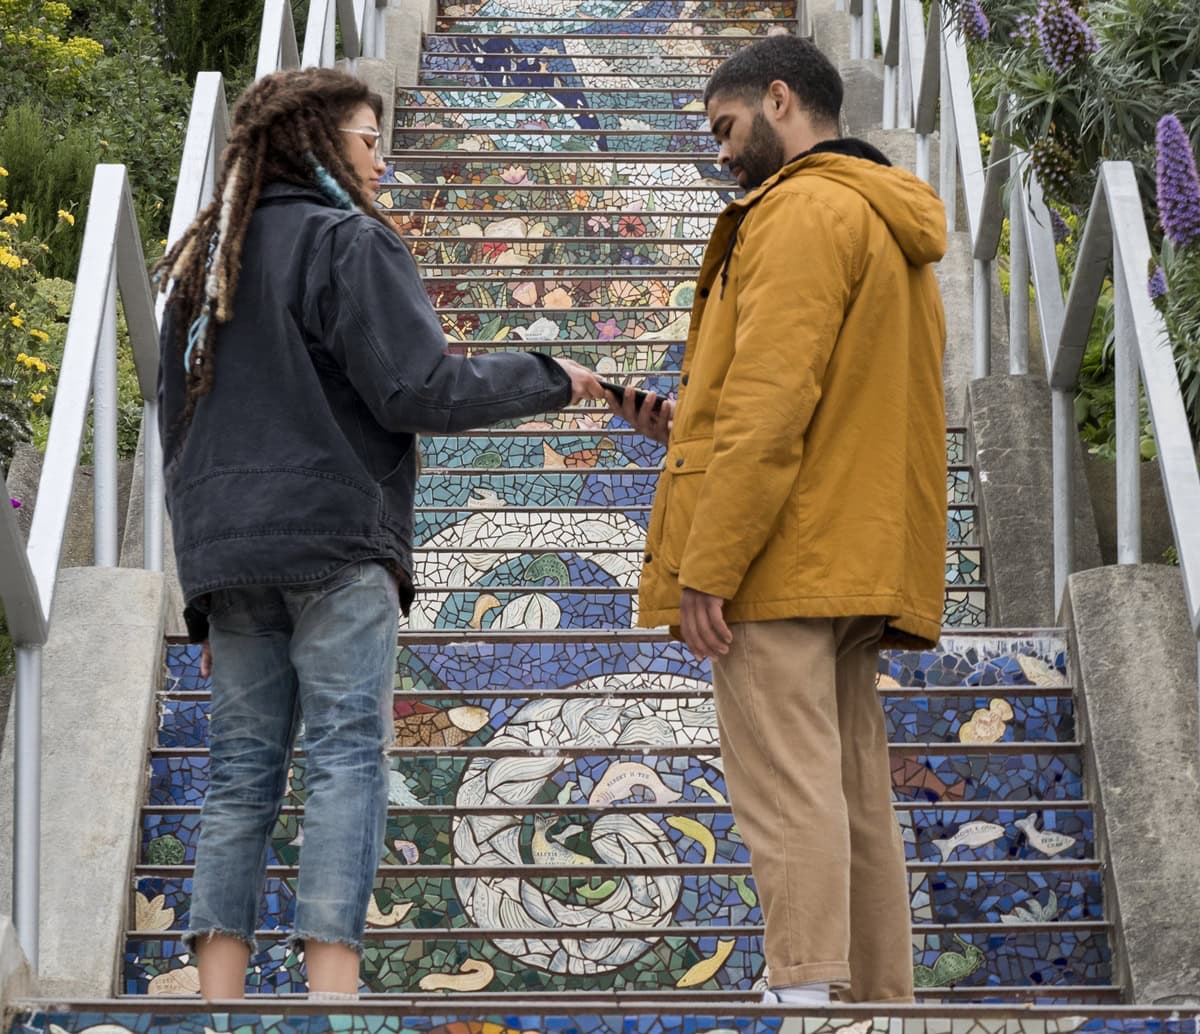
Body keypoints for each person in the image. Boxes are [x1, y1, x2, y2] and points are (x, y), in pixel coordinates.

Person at [155, 67, 604, 1000]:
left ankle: (220, 1006)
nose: (382, 160)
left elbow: (176, 424)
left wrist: (202, 576)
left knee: (239, 773)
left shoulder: (205, 267)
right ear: (318, 141)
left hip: (229, 553)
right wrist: (553, 375)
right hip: (332, 542)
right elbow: (417, 389)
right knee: (346, 758)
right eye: (368, 138)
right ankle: (331, 999)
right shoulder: (346, 242)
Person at [608, 35, 947, 1004]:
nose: (720, 152)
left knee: (784, 782)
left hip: (779, 553)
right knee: (852, 791)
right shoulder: (886, 220)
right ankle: (875, 998)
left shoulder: (799, 212)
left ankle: (803, 985)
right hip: (854, 544)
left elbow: (769, 403)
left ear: (783, 100)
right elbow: (822, 395)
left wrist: (707, 564)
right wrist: (683, 426)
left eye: (726, 126)